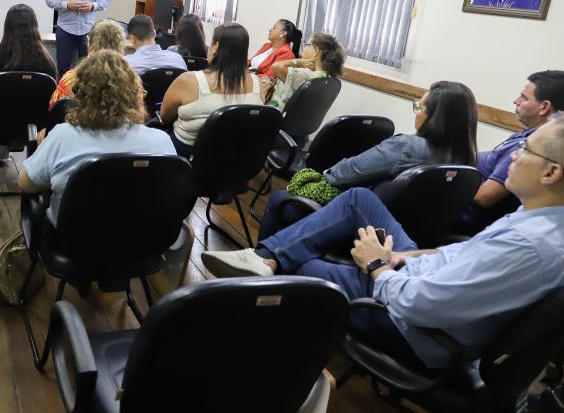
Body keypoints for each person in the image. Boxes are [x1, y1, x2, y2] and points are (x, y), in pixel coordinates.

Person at [201, 114, 564, 369]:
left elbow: (419, 306)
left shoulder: (525, 244)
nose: (513, 155)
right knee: (360, 200)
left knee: (309, 266)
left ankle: (256, 313)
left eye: (526, 150)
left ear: (551, 172)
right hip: (420, 275)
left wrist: (377, 265)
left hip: (419, 330)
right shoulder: (540, 220)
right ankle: (266, 261)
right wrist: (407, 256)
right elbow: (462, 252)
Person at [257, 81, 479, 240]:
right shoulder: (467, 161)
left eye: (419, 107)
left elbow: (345, 173)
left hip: (366, 230)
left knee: (280, 200)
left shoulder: (405, 147)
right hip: (411, 239)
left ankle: (263, 269)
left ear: (434, 118)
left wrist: (327, 174)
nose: (416, 113)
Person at [18, 49, 175, 226]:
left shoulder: (63, 136)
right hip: (142, 242)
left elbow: (26, 184)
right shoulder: (161, 141)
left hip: (74, 241)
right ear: (134, 93)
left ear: (80, 93)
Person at [459, 70, 564, 234]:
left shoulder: (531, 147)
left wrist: (448, 189)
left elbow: (484, 198)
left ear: (544, 107)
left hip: (465, 216)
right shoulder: (527, 136)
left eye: (524, 97)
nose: (516, 101)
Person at [160, 22, 268, 158]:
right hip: (237, 156)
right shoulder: (256, 82)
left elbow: (165, 116)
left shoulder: (188, 80)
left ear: (215, 46)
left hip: (190, 156)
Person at [0, 4, 58, 166]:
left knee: (5, 105)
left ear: (7, 26)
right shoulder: (47, 60)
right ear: (34, 26)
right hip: (38, 122)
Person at [49, 18, 124, 106]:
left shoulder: (71, 79)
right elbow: (138, 116)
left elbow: (54, 109)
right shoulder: (131, 80)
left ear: (89, 45)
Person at [265, 32, 345, 111]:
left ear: (315, 51)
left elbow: (276, 67)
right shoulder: (327, 77)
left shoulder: (306, 75)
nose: (304, 48)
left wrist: (299, 62)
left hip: (272, 115)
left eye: (307, 45)